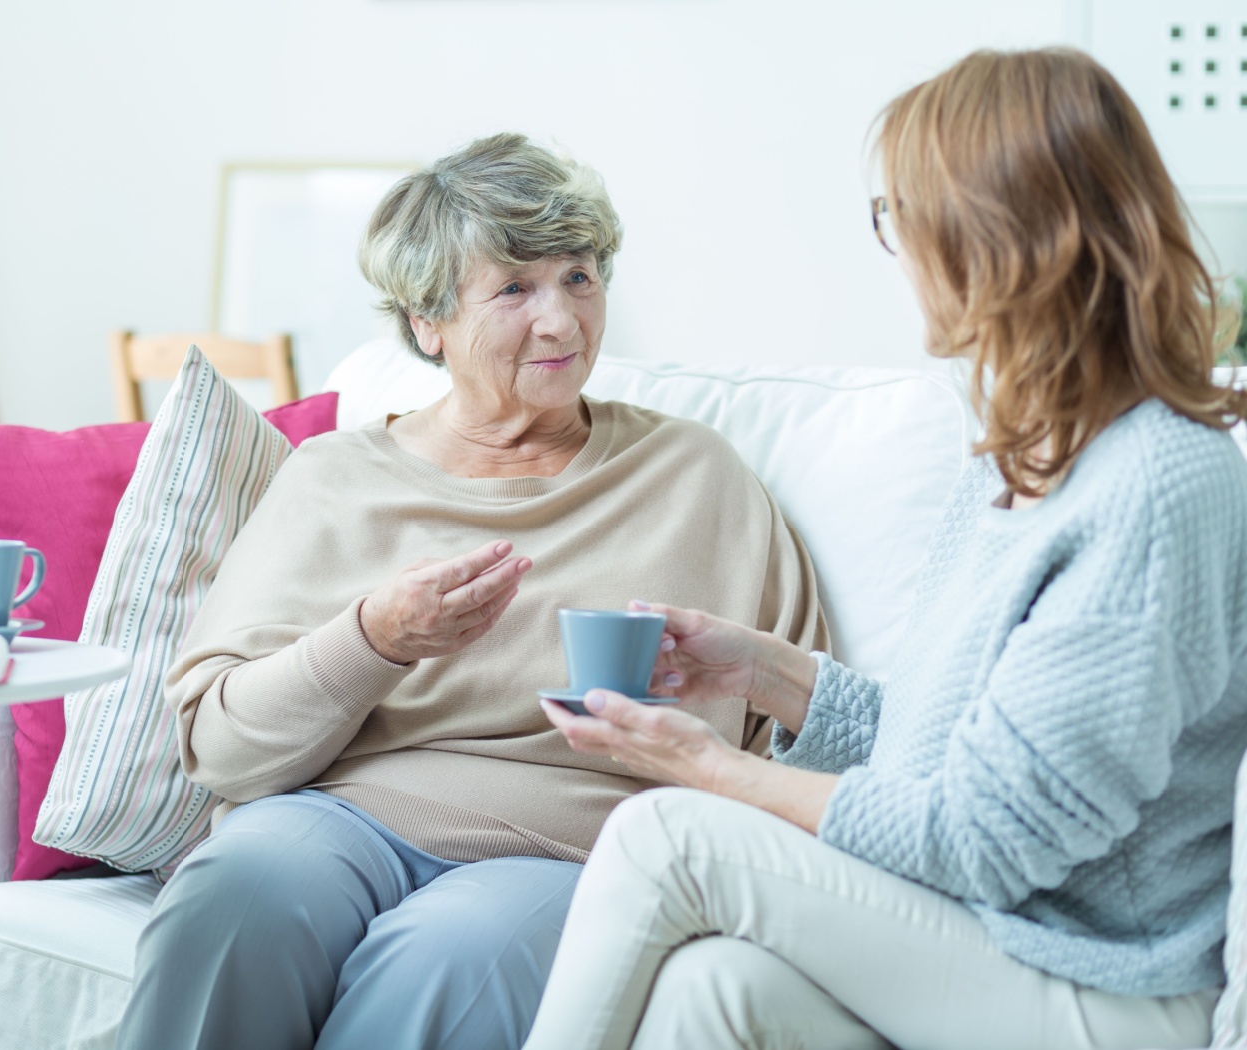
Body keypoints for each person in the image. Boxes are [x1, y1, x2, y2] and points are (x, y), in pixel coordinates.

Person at [525, 48, 1247, 1050]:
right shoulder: (1018, 462)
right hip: (990, 940)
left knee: (666, 836)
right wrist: (763, 673)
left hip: (1103, 990)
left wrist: (709, 771)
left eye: (898, 214)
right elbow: (941, 757)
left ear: (990, 233)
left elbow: (987, 836)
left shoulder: (1159, 486)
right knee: (712, 988)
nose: (894, 246)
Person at [114, 133, 827, 1050]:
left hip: (571, 844)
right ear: (427, 322)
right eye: (515, 288)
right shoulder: (336, 480)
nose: (563, 322)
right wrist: (373, 638)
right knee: (233, 897)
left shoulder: (695, 476)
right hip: (342, 815)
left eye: (579, 277)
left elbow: (809, 729)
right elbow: (220, 746)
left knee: (449, 956)